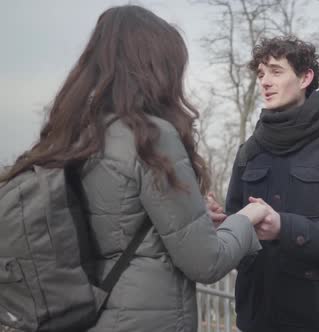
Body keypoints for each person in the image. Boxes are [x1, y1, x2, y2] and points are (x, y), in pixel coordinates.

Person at [0, 5, 268, 332]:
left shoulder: (72, 133)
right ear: (157, 67)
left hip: (86, 315)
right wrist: (246, 219)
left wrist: (194, 216)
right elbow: (206, 261)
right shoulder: (148, 138)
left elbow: (114, 222)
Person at [220, 36, 319, 332]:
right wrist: (226, 224)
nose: (265, 81)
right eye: (261, 74)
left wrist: (284, 228)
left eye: (276, 71)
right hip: (256, 321)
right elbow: (237, 243)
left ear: (306, 77)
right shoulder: (248, 153)